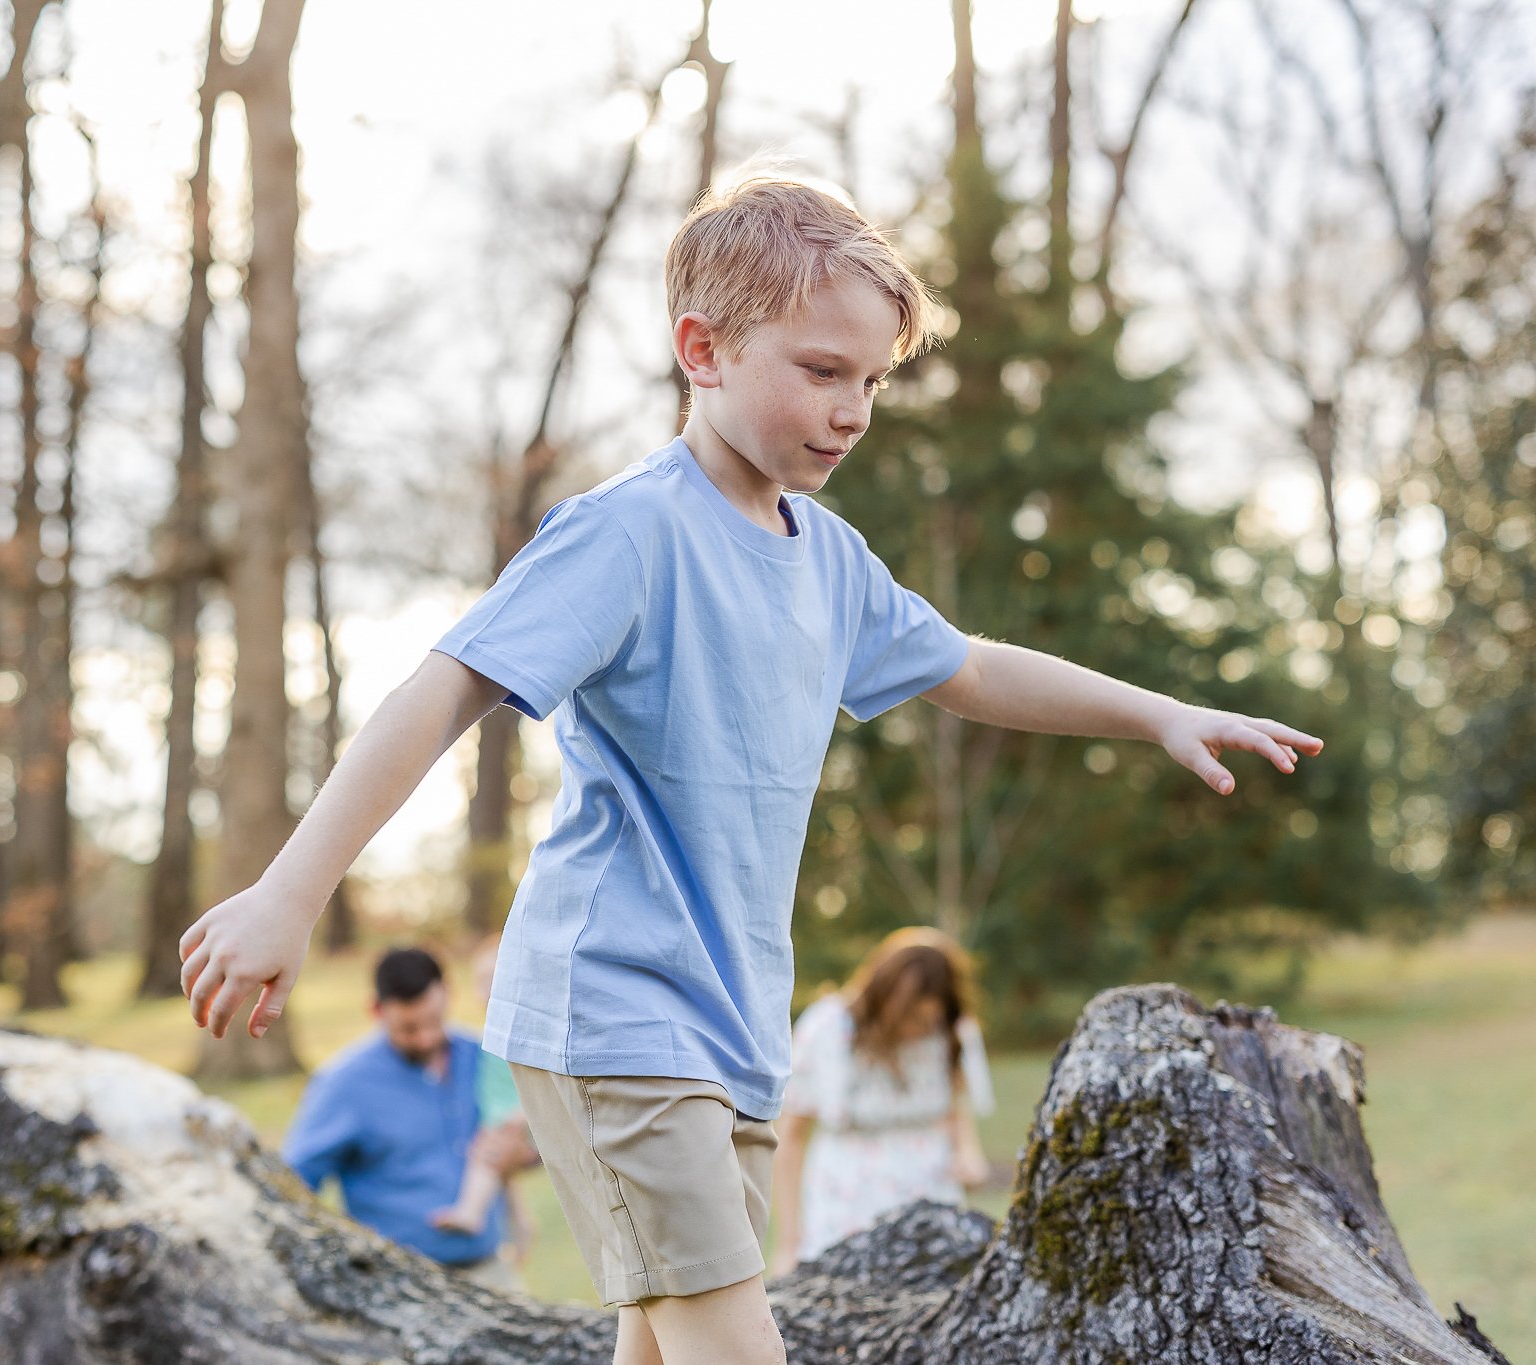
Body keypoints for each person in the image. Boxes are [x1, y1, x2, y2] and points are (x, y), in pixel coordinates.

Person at [182, 173, 1322, 1365]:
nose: (853, 409)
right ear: (702, 350)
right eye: (821, 371)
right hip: (614, 1013)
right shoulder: (626, 533)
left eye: (872, 380)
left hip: (733, 1029)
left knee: (662, 1345)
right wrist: (288, 892)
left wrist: (1158, 714)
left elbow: (970, 669)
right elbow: (444, 690)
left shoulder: (826, 559)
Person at [279, 946, 525, 1288]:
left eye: (434, 1021)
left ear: (448, 993)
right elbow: (293, 1183)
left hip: (492, 1272)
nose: (425, 1038)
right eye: (408, 1028)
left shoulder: (484, 1057)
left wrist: (522, 1155)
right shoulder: (343, 1083)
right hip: (397, 1287)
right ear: (376, 1010)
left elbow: (531, 1142)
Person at [770, 927, 995, 1277]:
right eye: (908, 1017)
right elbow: (791, 1138)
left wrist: (967, 1151)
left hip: (930, 1197)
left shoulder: (951, 1032)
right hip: (845, 1204)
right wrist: (789, 1242)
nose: (916, 1030)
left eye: (927, 1019)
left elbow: (954, 1104)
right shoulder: (828, 1029)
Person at [427, 934, 539, 1261]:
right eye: (481, 982)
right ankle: (519, 1222)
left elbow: (542, 1085)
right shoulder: (486, 1036)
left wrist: (522, 1116)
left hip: (521, 1119)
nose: (488, 990)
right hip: (500, 1120)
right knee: (493, 1165)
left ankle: (472, 1212)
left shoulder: (526, 1032)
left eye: (498, 979)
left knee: (486, 1158)